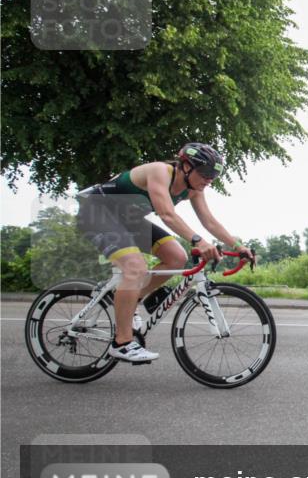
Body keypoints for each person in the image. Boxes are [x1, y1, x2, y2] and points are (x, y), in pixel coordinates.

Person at [76, 143, 255, 363]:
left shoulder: (194, 189)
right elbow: (166, 214)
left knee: (176, 258)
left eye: (214, 176)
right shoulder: (160, 171)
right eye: (206, 173)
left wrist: (238, 246)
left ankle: (130, 301)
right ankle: (121, 342)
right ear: (186, 166)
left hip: (127, 220)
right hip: (96, 212)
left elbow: (209, 221)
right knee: (135, 267)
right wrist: (198, 241)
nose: (209, 179)